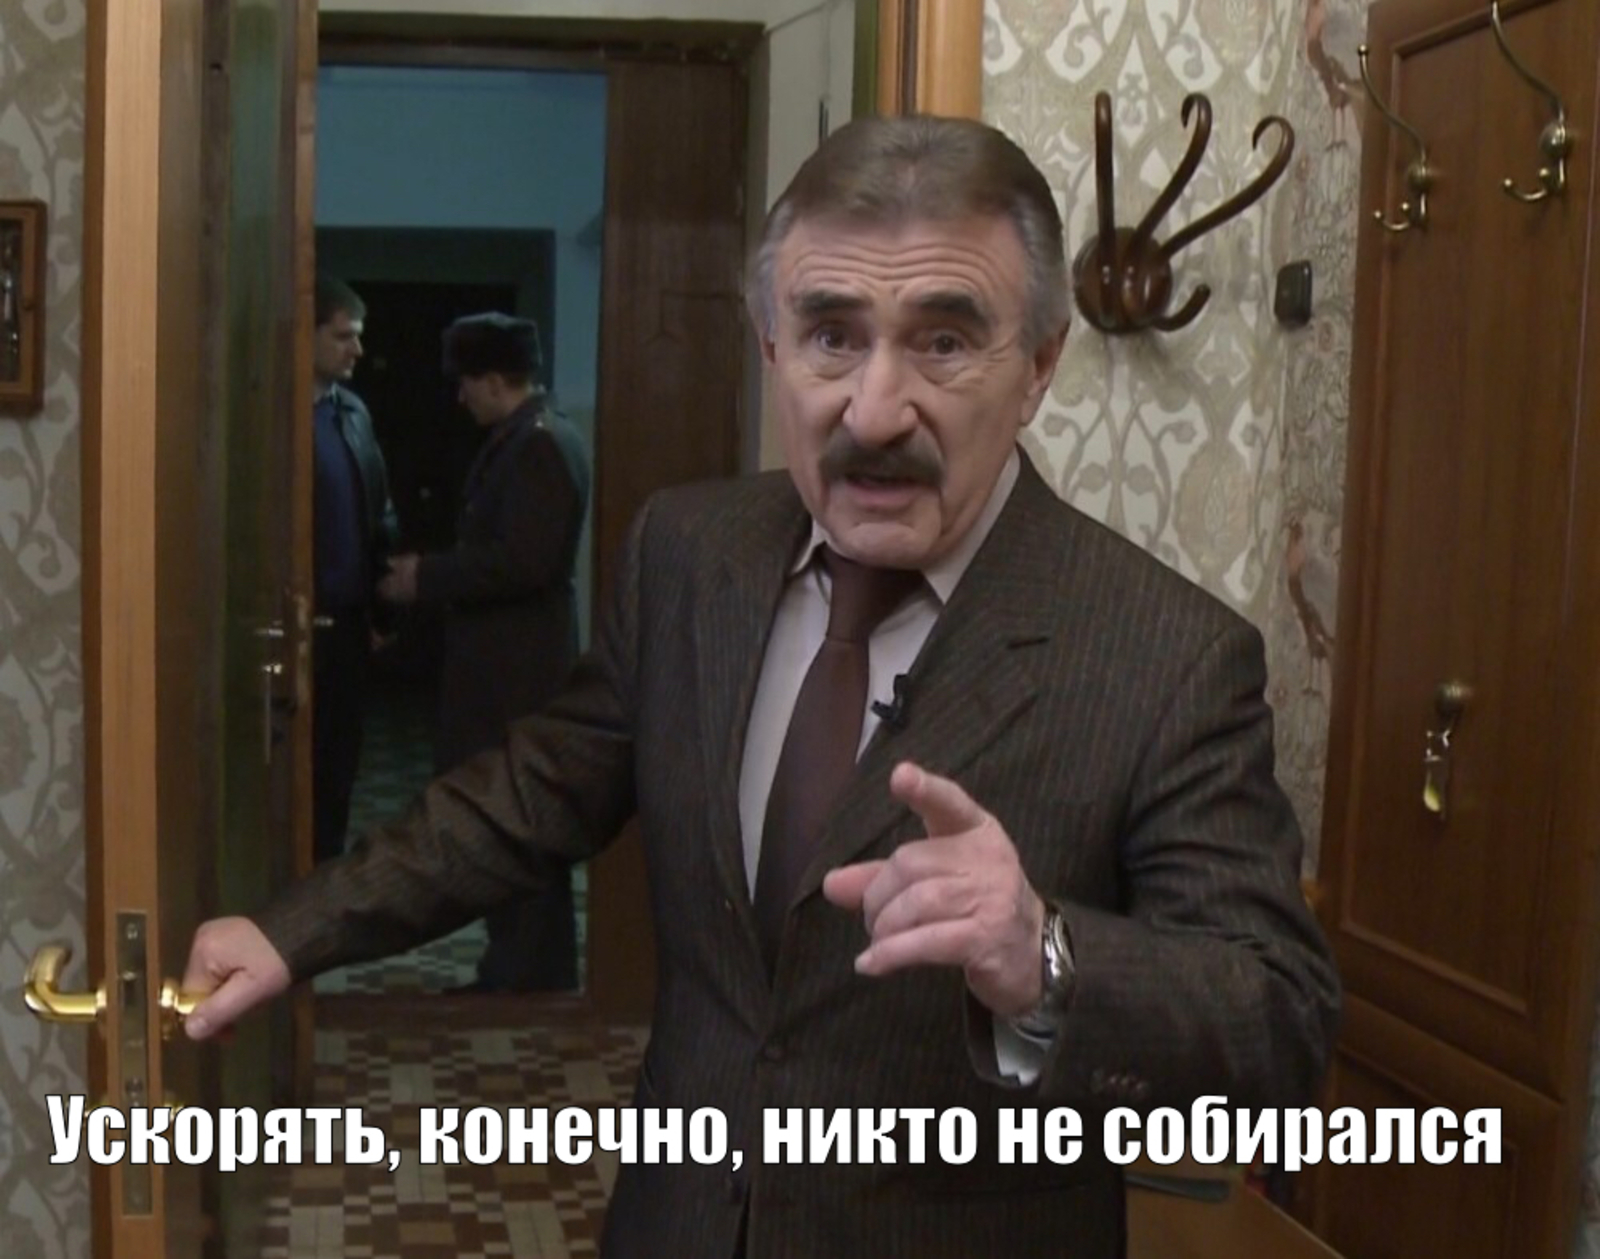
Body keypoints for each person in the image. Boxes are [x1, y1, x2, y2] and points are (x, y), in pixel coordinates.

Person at [184, 116, 1339, 1257]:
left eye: (943, 342)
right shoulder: (688, 552)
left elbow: (1275, 1026)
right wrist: (295, 929)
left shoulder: (1167, 654)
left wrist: (1044, 955)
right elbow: (537, 788)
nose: (874, 411)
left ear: (1038, 365)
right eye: (832, 335)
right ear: (770, 345)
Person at [376, 313, 590, 992]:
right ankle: (517, 968)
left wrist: (426, 577)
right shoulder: (527, 437)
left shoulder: (539, 444)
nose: (460, 396)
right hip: (508, 667)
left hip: (517, 673)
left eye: (466, 382)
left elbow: (524, 561)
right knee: (506, 822)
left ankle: (528, 975)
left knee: (518, 822)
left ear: (495, 380)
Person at [310, 275, 398, 865]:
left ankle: (324, 881)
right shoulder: (276, 413)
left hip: (345, 621)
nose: (357, 350)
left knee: (338, 769)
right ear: (309, 333)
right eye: (344, 337)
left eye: (358, 337)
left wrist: (383, 607)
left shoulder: (353, 413)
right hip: (293, 619)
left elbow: (379, 510)